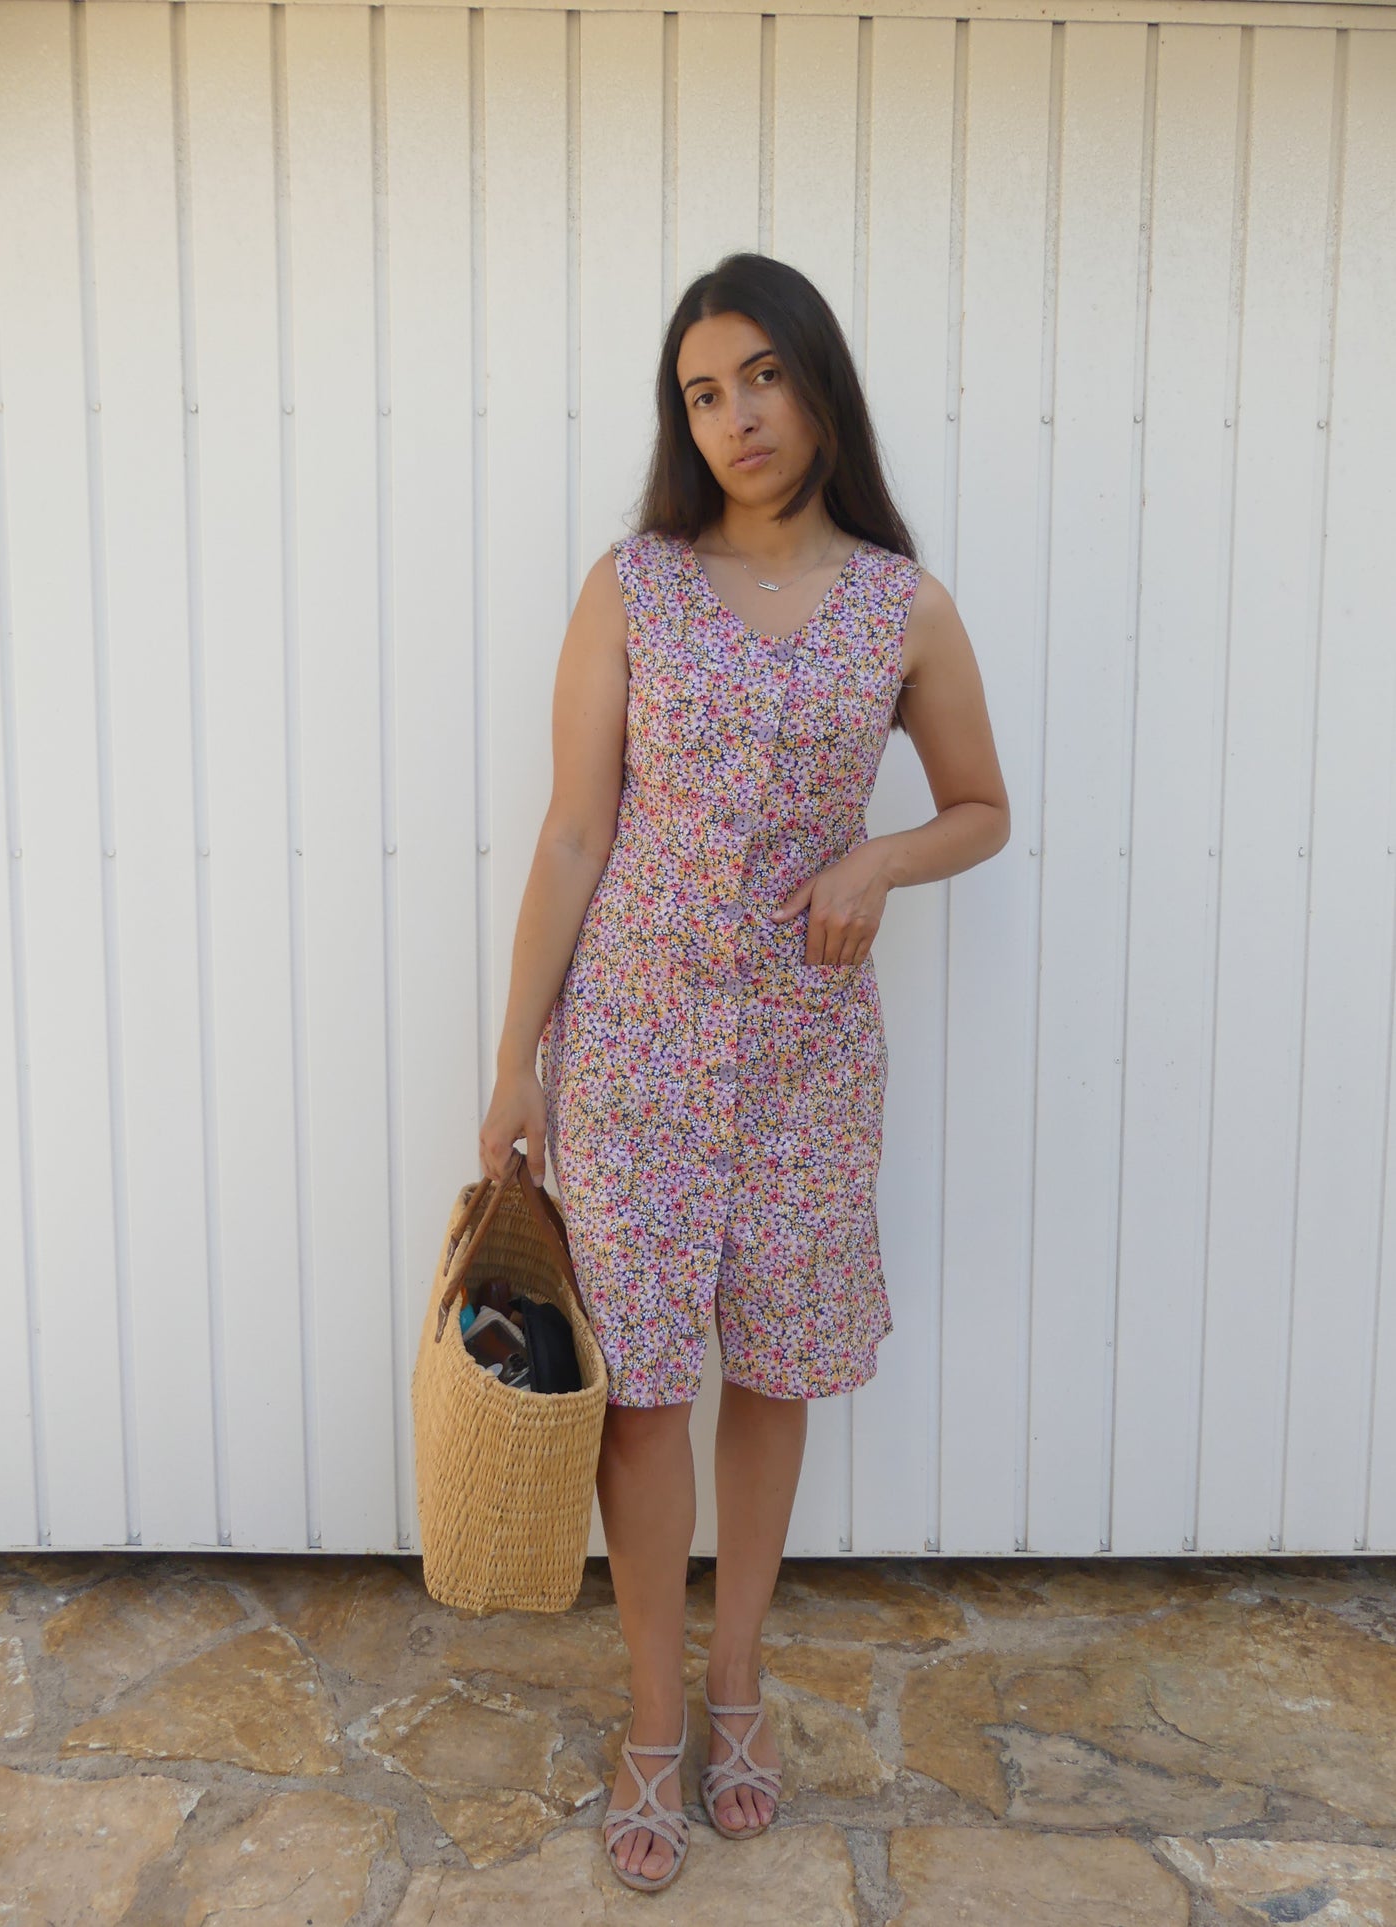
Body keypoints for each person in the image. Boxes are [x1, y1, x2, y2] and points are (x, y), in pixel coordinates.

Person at [479, 251, 1009, 1893]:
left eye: (761, 376)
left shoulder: (903, 607)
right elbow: (575, 832)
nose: (735, 416)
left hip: (803, 1056)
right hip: (630, 1048)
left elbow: (981, 808)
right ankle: (653, 1720)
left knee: (770, 1375)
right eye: (703, 393)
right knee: (642, 1395)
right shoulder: (632, 585)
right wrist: (514, 1063)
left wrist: (880, 860)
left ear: (817, 381)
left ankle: (736, 1689)